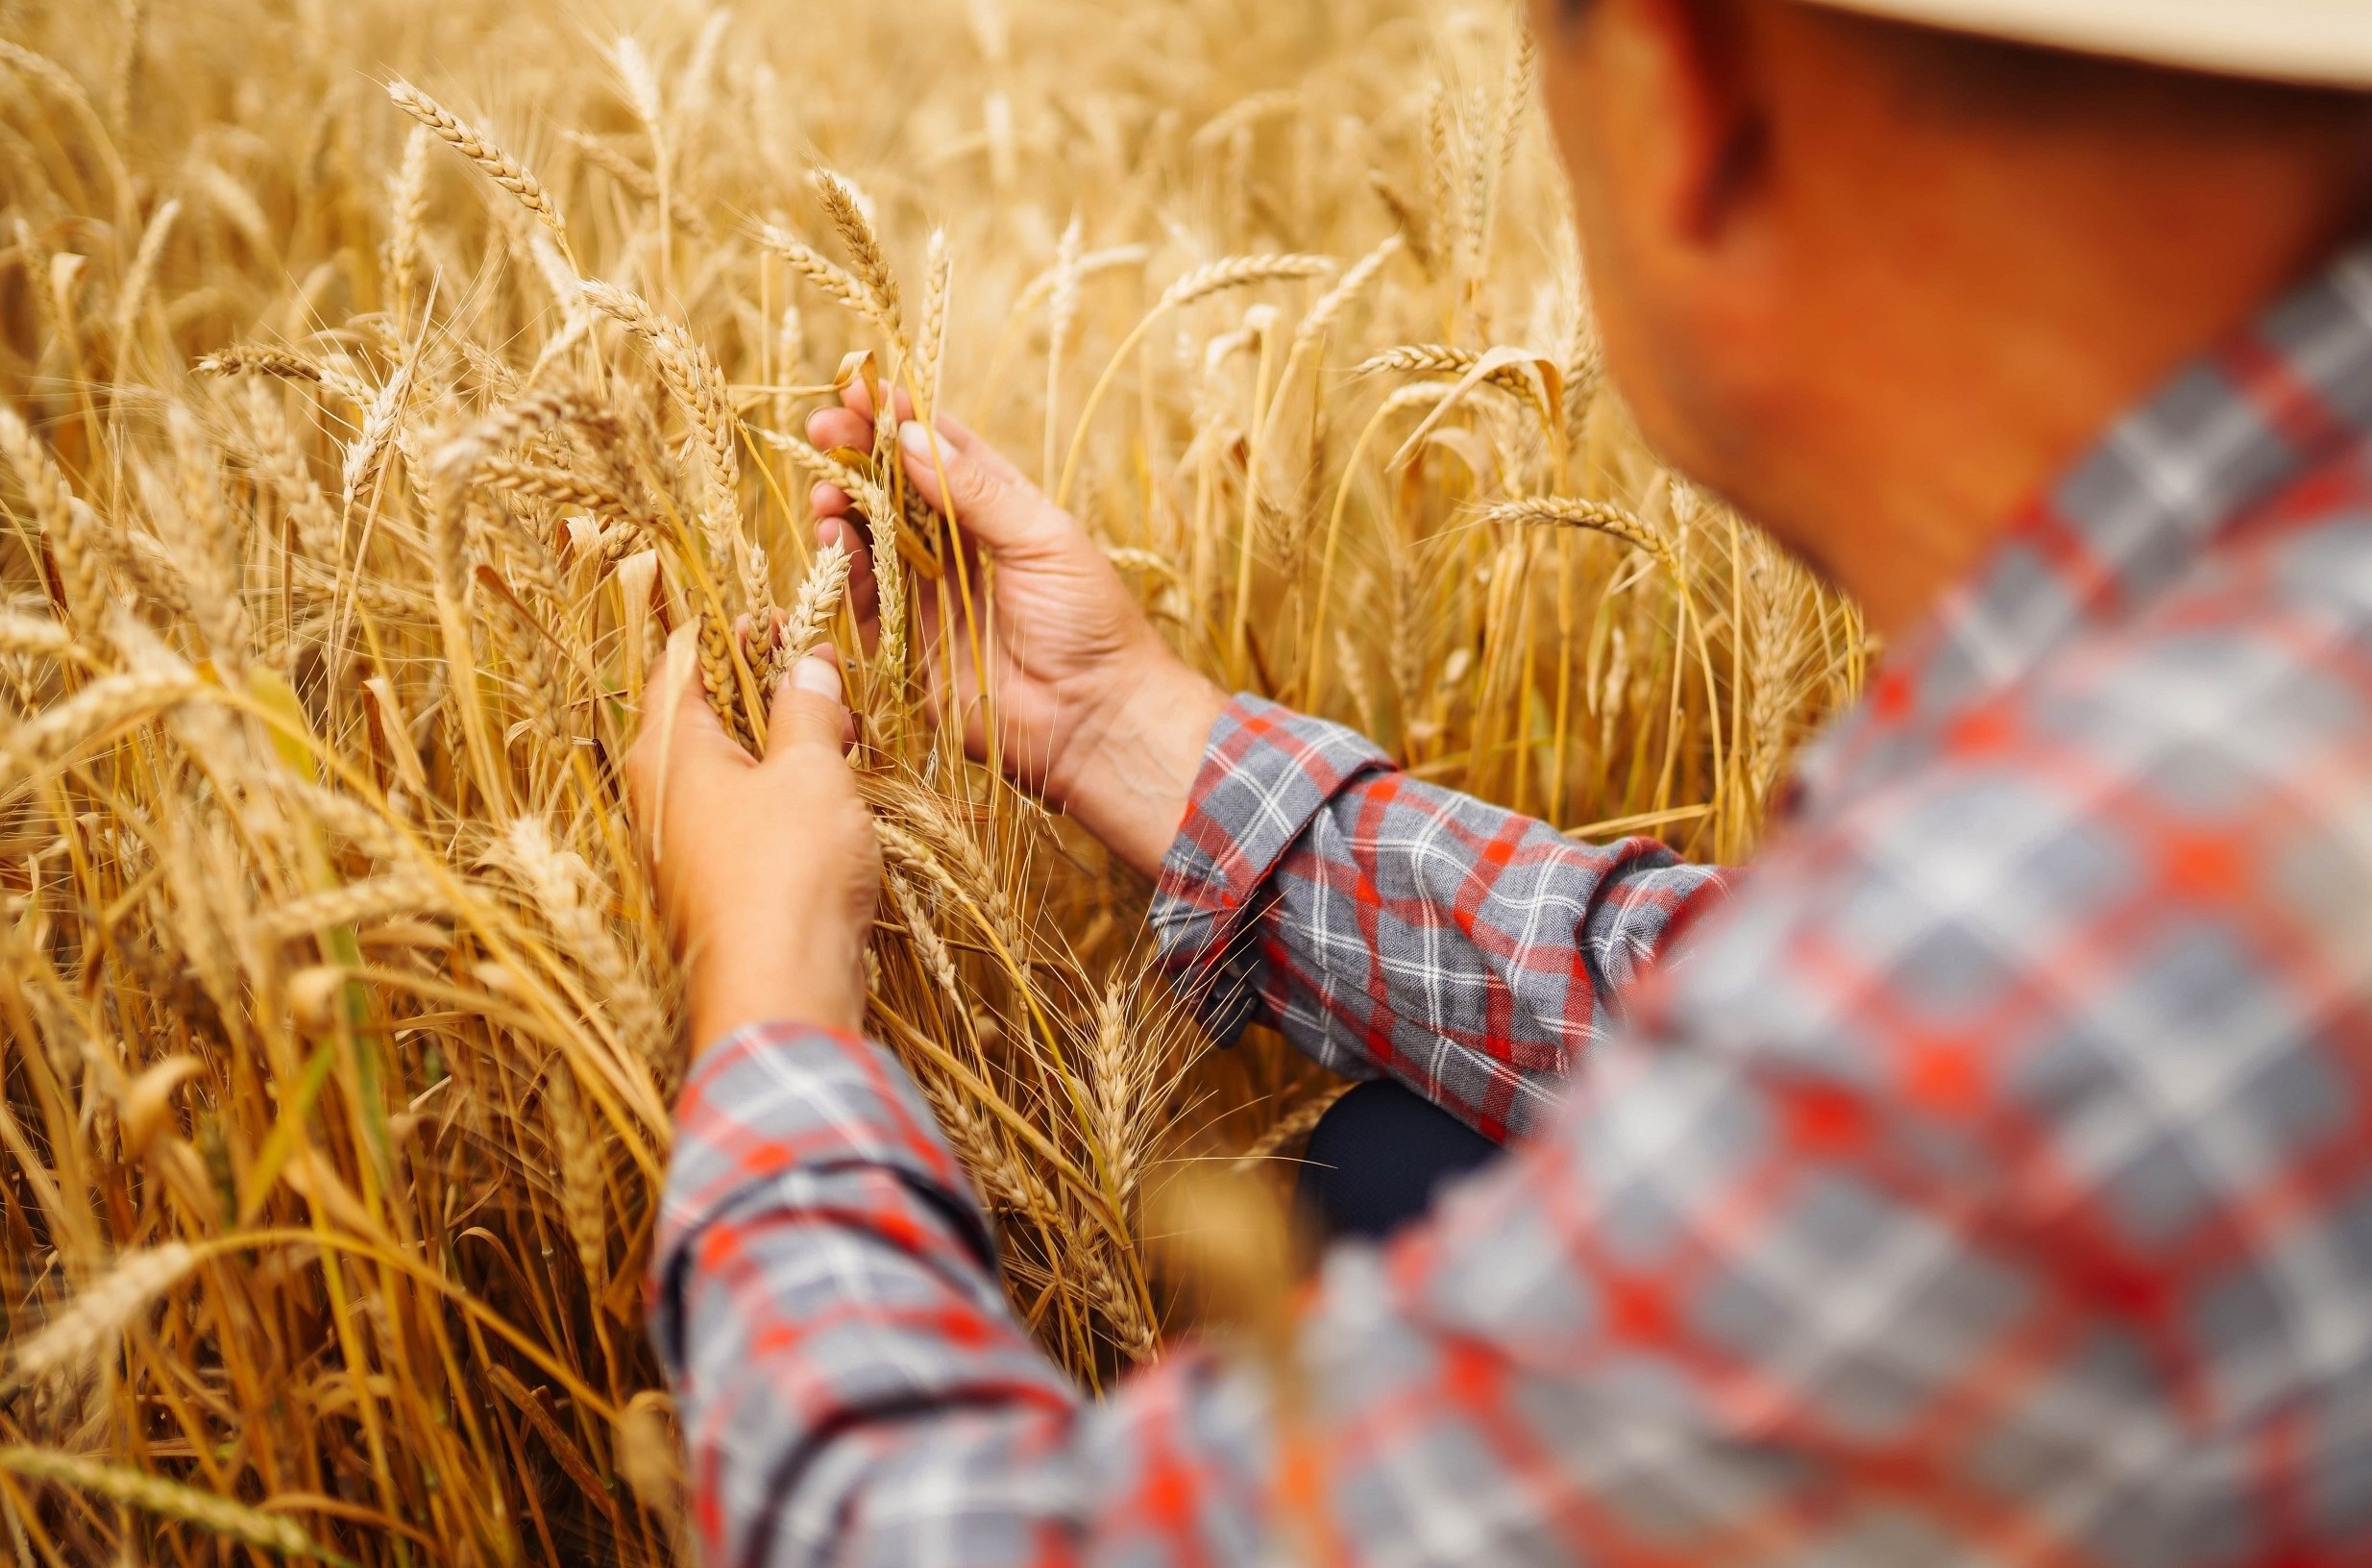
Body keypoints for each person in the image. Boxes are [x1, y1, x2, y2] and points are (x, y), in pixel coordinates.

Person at [626, 0, 2372, 1560]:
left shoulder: (2068, 952)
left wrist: (769, 986)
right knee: (1407, 1163)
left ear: (1690, 94)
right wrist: (1118, 729)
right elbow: (1722, 980)